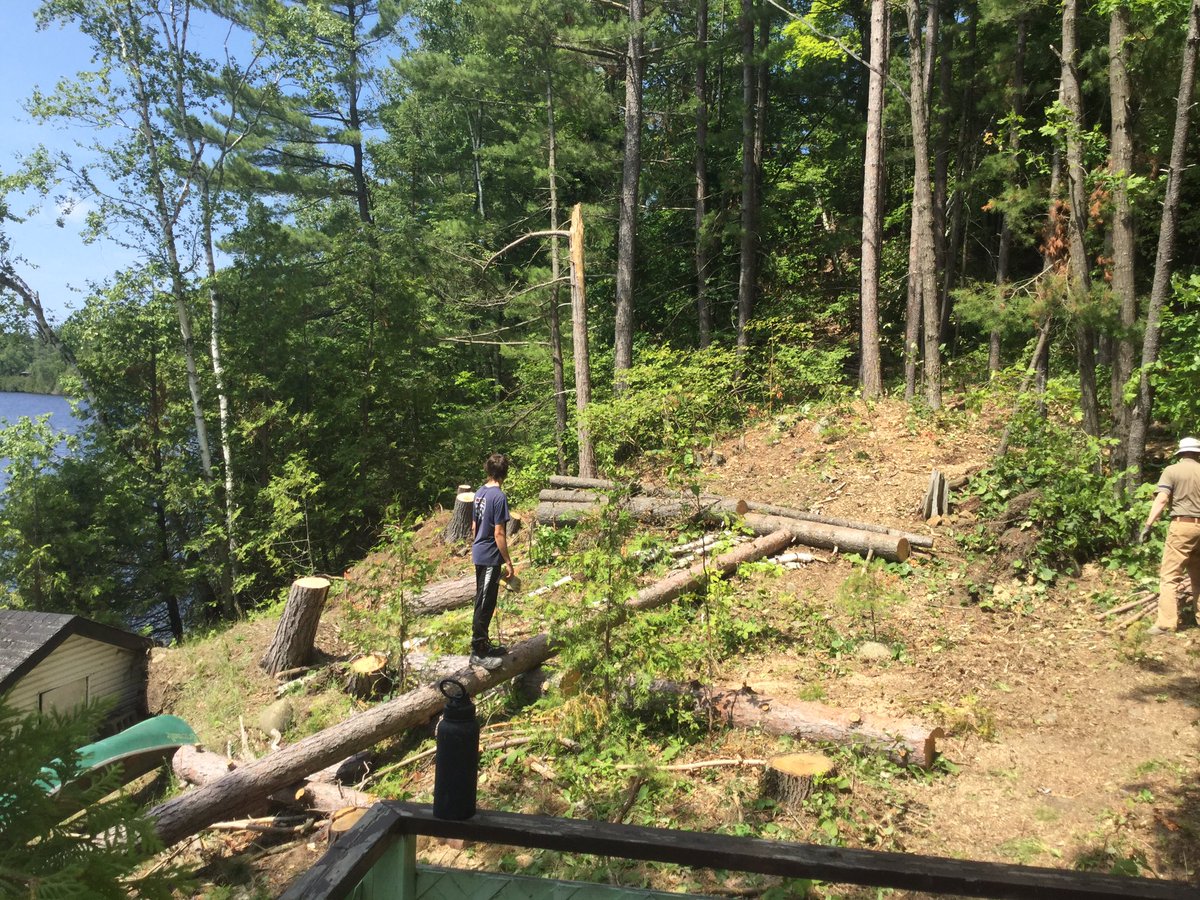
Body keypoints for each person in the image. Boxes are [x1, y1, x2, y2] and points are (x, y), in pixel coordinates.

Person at [1139, 436, 1200, 635]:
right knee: (1198, 576)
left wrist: (1148, 524)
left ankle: (1166, 623)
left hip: (1182, 526)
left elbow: (1162, 499)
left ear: (1180, 453)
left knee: (1169, 576)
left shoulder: (1171, 471)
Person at [470, 452, 515, 669]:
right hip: (489, 555)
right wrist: (508, 561)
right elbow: (499, 533)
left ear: (488, 471)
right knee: (485, 601)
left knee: (486, 600)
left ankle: (484, 644)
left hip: (480, 551)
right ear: (504, 473)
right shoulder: (499, 497)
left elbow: (473, 527)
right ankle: (478, 650)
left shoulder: (479, 493)